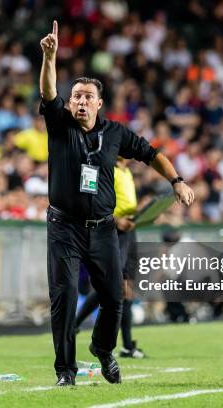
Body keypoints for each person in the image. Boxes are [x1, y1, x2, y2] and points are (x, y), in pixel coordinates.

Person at [39, 21, 194, 386]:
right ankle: (66, 372)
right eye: (75, 95)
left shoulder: (114, 133)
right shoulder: (60, 123)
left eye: (87, 97)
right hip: (64, 227)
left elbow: (151, 153)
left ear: (99, 103)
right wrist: (50, 57)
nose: (80, 101)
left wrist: (177, 180)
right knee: (63, 298)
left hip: (103, 228)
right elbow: (48, 92)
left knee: (114, 297)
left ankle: (103, 349)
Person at [75, 157, 145, 359]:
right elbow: (90, 201)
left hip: (129, 230)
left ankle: (127, 345)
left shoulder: (125, 171)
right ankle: (81, 328)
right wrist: (115, 220)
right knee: (115, 285)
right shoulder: (104, 169)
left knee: (126, 285)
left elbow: (124, 202)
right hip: (112, 231)